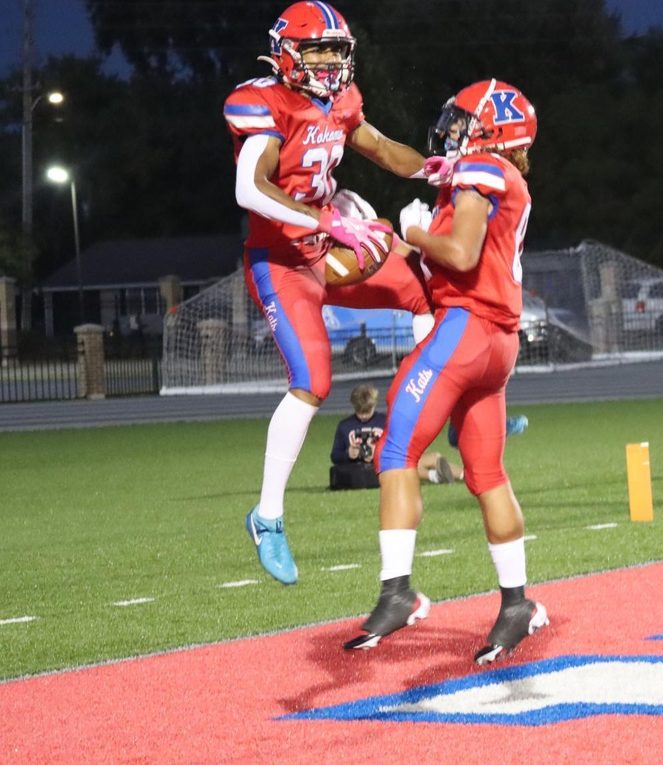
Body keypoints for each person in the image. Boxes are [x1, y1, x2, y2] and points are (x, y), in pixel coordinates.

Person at [224, 2, 449, 585]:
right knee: (314, 383)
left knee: (425, 291)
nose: (328, 62)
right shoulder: (263, 103)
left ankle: (420, 424)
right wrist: (329, 222)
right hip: (283, 262)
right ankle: (267, 516)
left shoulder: (340, 102)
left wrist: (437, 169)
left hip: (332, 253)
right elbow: (251, 190)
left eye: (336, 50)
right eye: (317, 49)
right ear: (286, 52)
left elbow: (381, 149)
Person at [343, 79, 548, 664]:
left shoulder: (481, 170)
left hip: (466, 331)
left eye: (464, 120)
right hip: (499, 345)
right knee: (486, 474)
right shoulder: (499, 178)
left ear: (491, 129)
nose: (453, 129)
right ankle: (516, 603)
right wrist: (390, 239)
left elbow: (458, 253)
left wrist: (412, 231)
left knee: (395, 451)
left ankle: (398, 592)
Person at [330, 384, 461, 489]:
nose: (363, 415)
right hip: (370, 469)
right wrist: (349, 454)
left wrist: (378, 451)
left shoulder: (385, 420)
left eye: (367, 411)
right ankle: (435, 476)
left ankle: (465, 476)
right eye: (360, 412)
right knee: (400, 465)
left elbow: (400, 444)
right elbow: (335, 456)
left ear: (374, 405)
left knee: (434, 457)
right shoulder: (344, 426)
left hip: (388, 458)